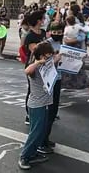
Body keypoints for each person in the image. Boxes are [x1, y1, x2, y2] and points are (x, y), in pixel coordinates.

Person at [18, 42, 58, 170]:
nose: (49, 59)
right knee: (35, 132)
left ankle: (33, 154)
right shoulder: (35, 68)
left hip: (45, 103)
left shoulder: (47, 65)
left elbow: (57, 58)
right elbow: (27, 70)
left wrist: (58, 55)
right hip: (36, 105)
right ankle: (24, 156)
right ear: (41, 56)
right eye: (47, 56)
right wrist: (38, 63)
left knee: (41, 132)